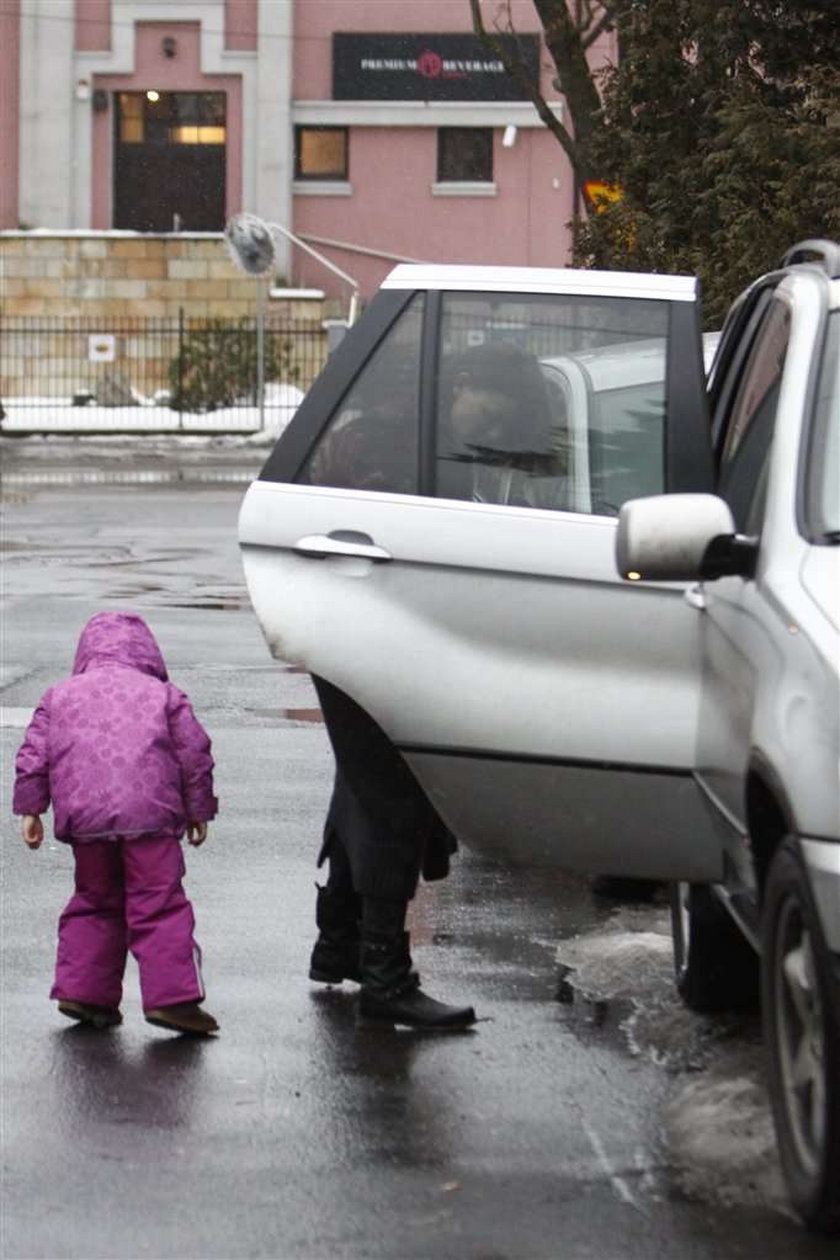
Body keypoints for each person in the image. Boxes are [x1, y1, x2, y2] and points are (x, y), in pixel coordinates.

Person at [12, 611, 219, 1036]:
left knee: (94, 899)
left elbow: (34, 755)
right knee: (158, 903)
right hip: (150, 819)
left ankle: (85, 993)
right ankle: (173, 999)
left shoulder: (60, 695)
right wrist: (198, 810)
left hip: (87, 822)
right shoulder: (164, 695)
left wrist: (30, 809)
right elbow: (193, 755)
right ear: (147, 652)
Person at [308, 678, 476, 1030]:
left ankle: (342, 942)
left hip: (348, 637)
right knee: (394, 780)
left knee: (367, 767)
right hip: (378, 640)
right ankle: (384, 978)